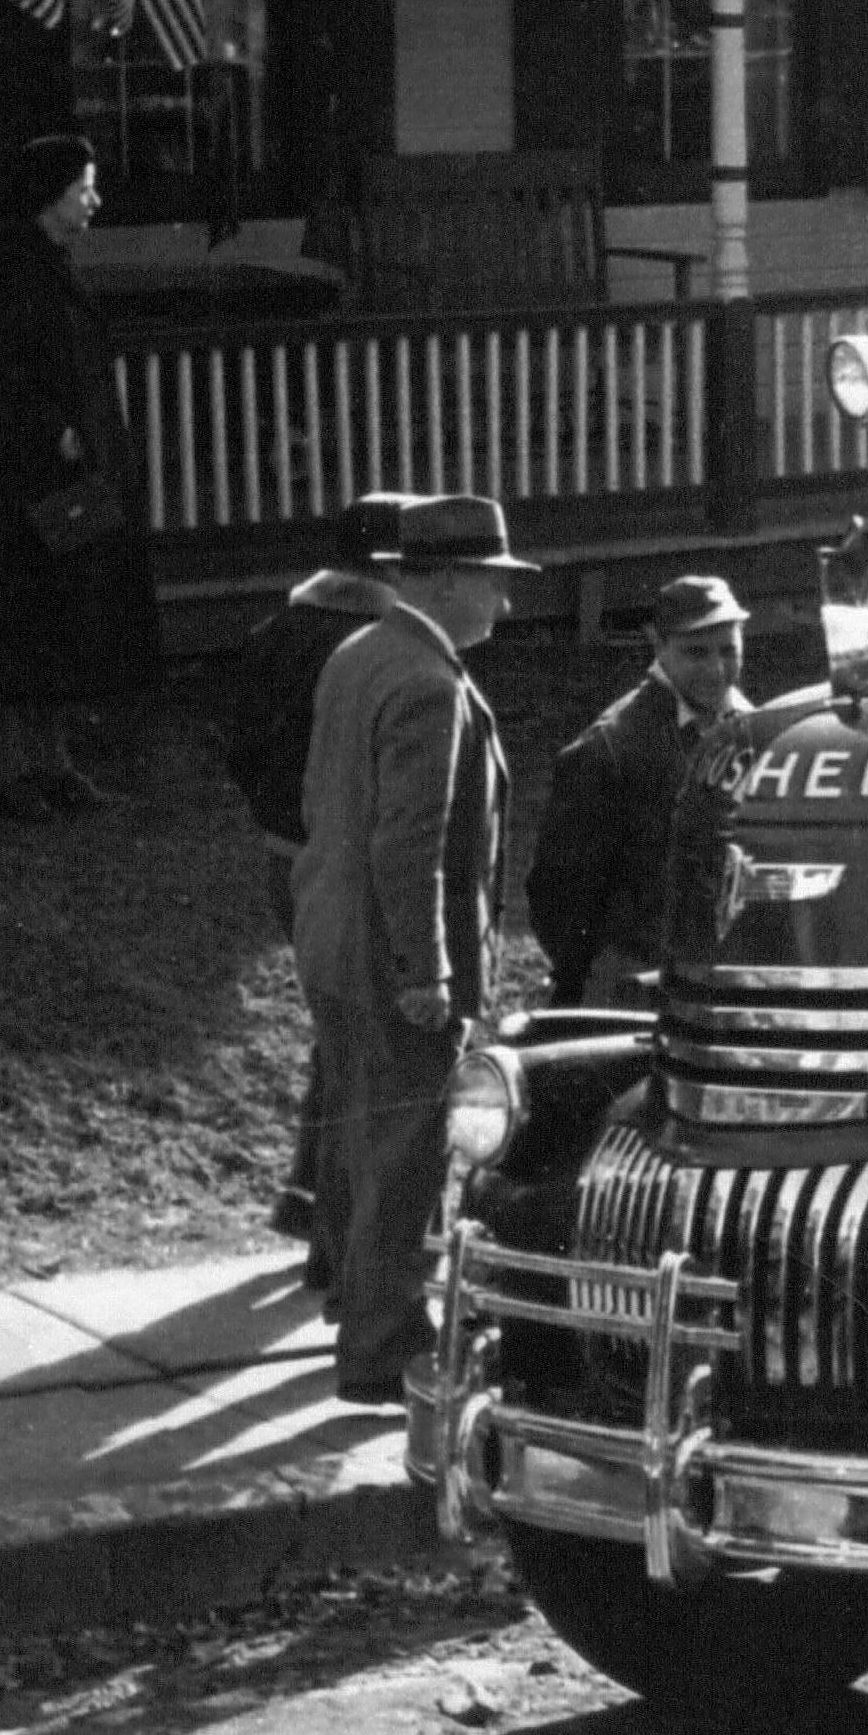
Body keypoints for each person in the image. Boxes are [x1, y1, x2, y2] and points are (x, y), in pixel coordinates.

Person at [295, 492, 525, 1406]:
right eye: (494, 583)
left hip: (333, 939)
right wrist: (428, 969)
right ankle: (383, 1348)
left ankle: (358, 1308)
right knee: (404, 1151)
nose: (504, 605)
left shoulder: (360, 652)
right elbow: (411, 842)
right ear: (445, 580)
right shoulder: (428, 681)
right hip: (393, 955)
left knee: (360, 1135)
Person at [0, 135, 165, 818]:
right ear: (48, 197)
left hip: (67, 482)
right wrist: (48, 427)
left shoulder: (54, 268)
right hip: (19, 485)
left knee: (62, 624)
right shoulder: (14, 271)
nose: (94, 199)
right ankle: (7, 776)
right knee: (15, 625)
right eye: (82, 187)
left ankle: (55, 765)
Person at [221, 492, 420, 1266]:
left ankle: (309, 1202)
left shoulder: (276, 633)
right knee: (365, 1041)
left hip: (284, 852)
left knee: (338, 1030)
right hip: (352, 859)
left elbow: (240, 749)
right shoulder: (380, 647)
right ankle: (338, 1234)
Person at [526, 575, 753, 1007]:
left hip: (729, 975)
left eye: (729, 650)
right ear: (659, 646)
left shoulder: (759, 731)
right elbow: (558, 899)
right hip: (635, 981)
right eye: (696, 652)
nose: (717, 669)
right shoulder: (608, 748)